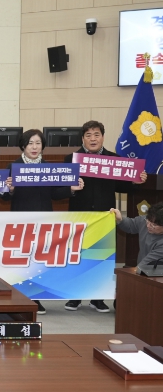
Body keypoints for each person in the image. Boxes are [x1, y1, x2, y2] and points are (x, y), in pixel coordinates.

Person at [63, 120, 148, 313]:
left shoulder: (114, 159)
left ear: (102, 137)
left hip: (105, 215)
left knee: (102, 257)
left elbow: (123, 186)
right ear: (83, 138)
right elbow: (63, 187)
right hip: (80, 215)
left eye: (96, 135)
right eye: (88, 135)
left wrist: (135, 182)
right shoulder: (71, 159)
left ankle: (98, 298)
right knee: (78, 256)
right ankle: (75, 297)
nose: (93, 139)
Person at [3, 129, 85, 315]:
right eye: (30, 143)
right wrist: (10, 189)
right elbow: (5, 197)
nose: (34, 147)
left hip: (44, 221)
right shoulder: (13, 166)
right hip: (21, 221)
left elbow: (55, 194)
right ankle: (19, 298)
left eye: (38, 143)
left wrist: (71, 189)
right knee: (22, 260)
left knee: (38, 261)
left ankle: (35, 299)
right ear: (23, 146)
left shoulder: (48, 167)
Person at [111, 203, 163, 267]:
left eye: (154, 225)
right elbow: (131, 225)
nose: (148, 226)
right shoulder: (147, 219)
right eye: (148, 221)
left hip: (155, 270)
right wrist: (120, 219)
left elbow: (147, 263)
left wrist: (135, 271)